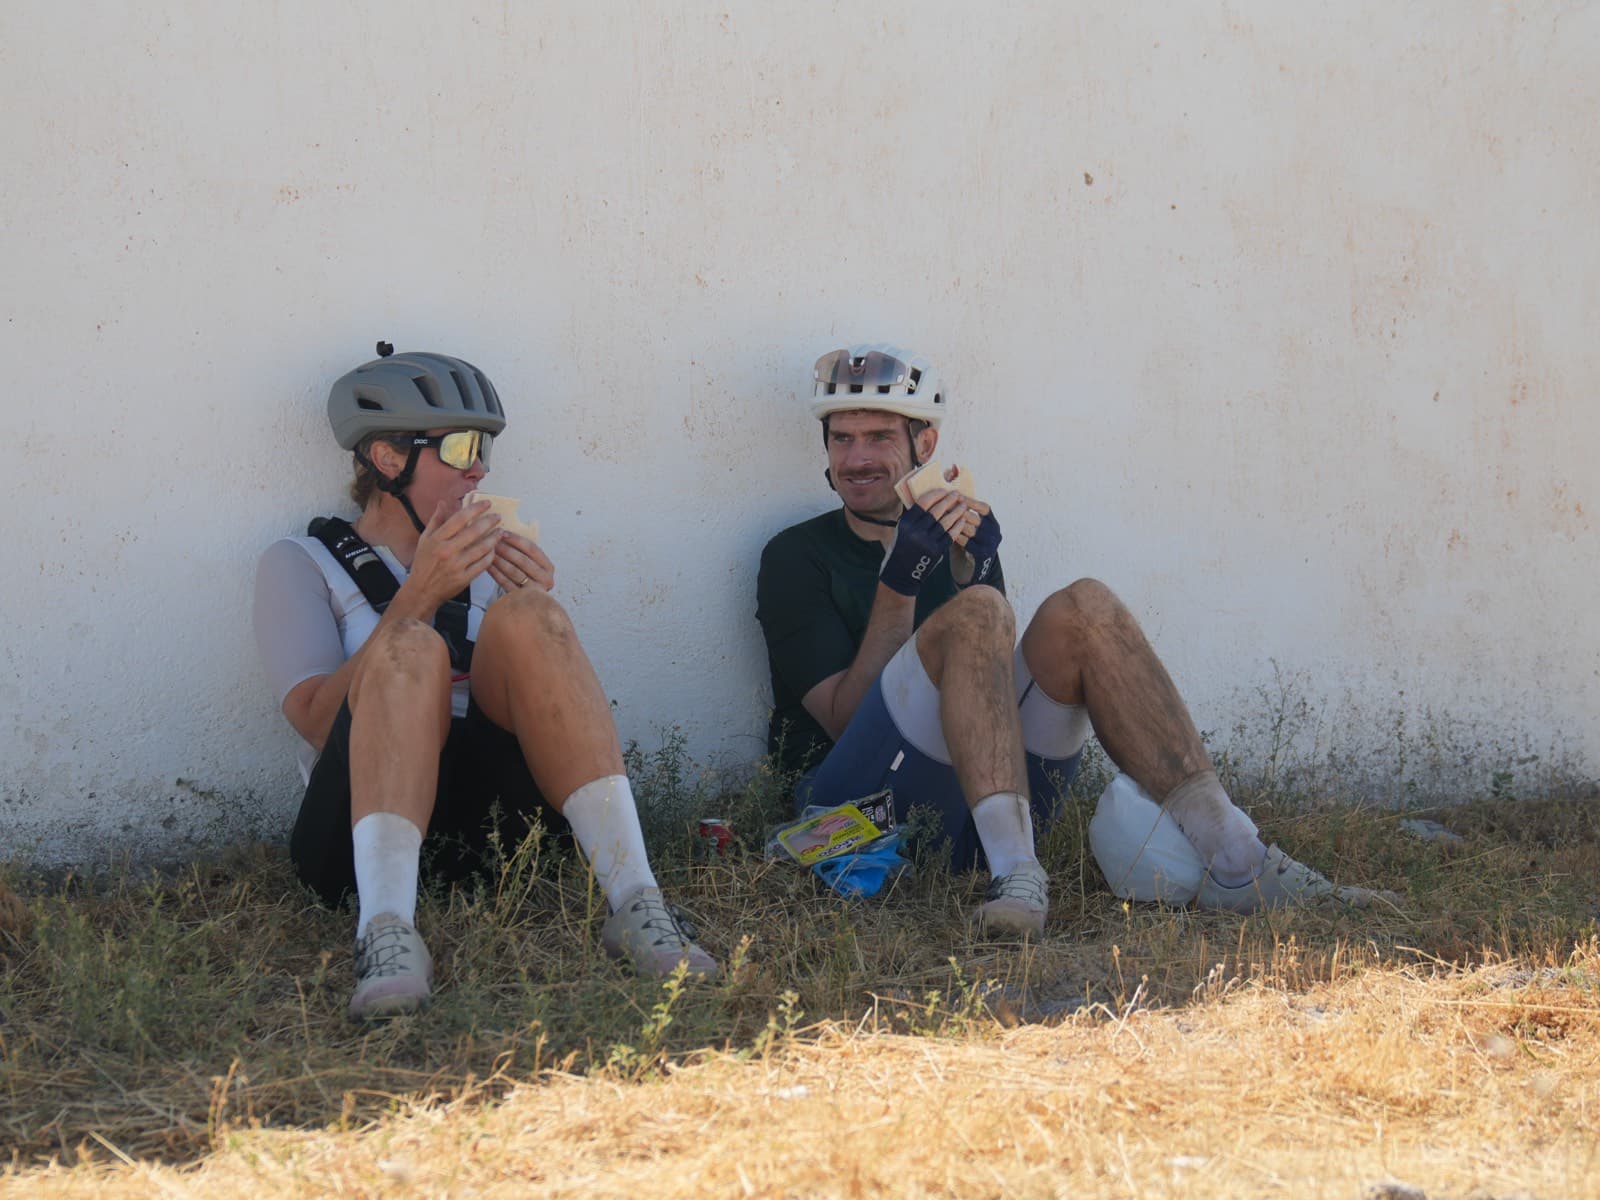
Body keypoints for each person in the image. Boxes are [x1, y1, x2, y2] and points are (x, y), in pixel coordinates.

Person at [755, 343, 1388, 935]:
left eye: (876, 437)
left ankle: (1237, 857)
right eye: (842, 439)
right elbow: (840, 721)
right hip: (861, 815)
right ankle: (1016, 875)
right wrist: (901, 586)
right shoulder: (796, 555)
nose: (856, 459)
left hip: (979, 809)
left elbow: (994, 701)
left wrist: (970, 570)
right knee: (979, 613)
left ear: (925, 442)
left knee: (1085, 605)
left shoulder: (955, 539)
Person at [254, 345, 716, 1019]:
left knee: (533, 614)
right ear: (388, 458)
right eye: (461, 446)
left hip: (502, 832)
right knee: (409, 643)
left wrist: (527, 613)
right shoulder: (302, 561)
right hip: (357, 834)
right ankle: (386, 934)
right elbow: (318, 722)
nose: (479, 467)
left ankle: (638, 903)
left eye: (487, 449)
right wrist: (416, 597)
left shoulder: (491, 555)